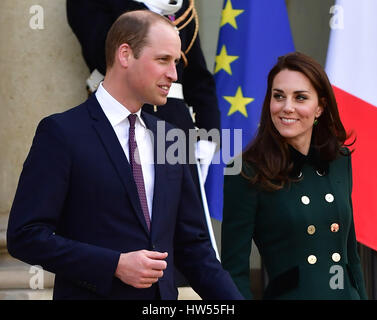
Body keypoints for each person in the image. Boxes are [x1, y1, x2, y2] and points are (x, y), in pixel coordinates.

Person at [7, 10, 242, 300]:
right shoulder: (61, 133)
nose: (173, 74)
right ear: (125, 54)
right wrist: (113, 265)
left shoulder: (171, 138)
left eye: (176, 62)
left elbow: (194, 248)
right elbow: (25, 236)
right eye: (163, 60)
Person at [221, 52, 368, 300]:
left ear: (320, 107)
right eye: (279, 96)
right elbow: (234, 272)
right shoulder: (247, 171)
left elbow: (350, 256)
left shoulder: (339, 160)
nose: (287, 107)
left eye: (300, 97)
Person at [66, 0, 219, 187]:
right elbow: (103, 56)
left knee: (181, 213)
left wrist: (208, 136)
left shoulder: (180, 5)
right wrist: (149, 12)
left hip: (175, 128)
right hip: (118, 121)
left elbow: (198, 79)